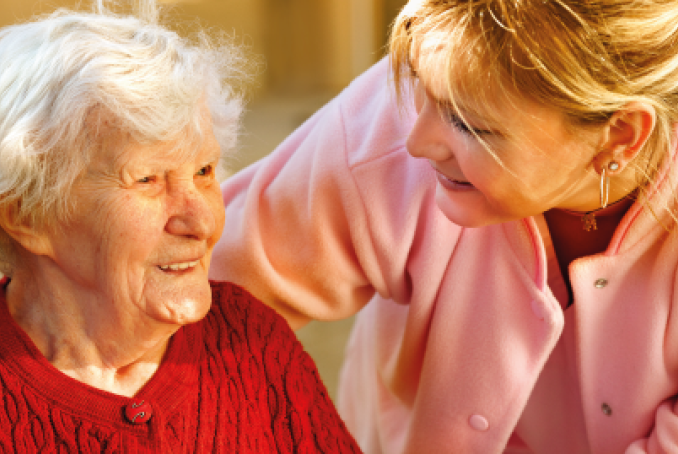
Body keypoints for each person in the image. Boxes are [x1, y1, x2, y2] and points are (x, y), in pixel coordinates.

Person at [209, 0, 678, 452]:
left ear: (621, 135)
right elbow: (201, 304)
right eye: (419, 85)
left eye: (470, 125)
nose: (416, 142)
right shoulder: (383, 129)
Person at [0, 1, 362, 452]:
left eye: (205, 172)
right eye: (148, 180)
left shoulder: (249, 343)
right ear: (27, 216)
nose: (203, 220)